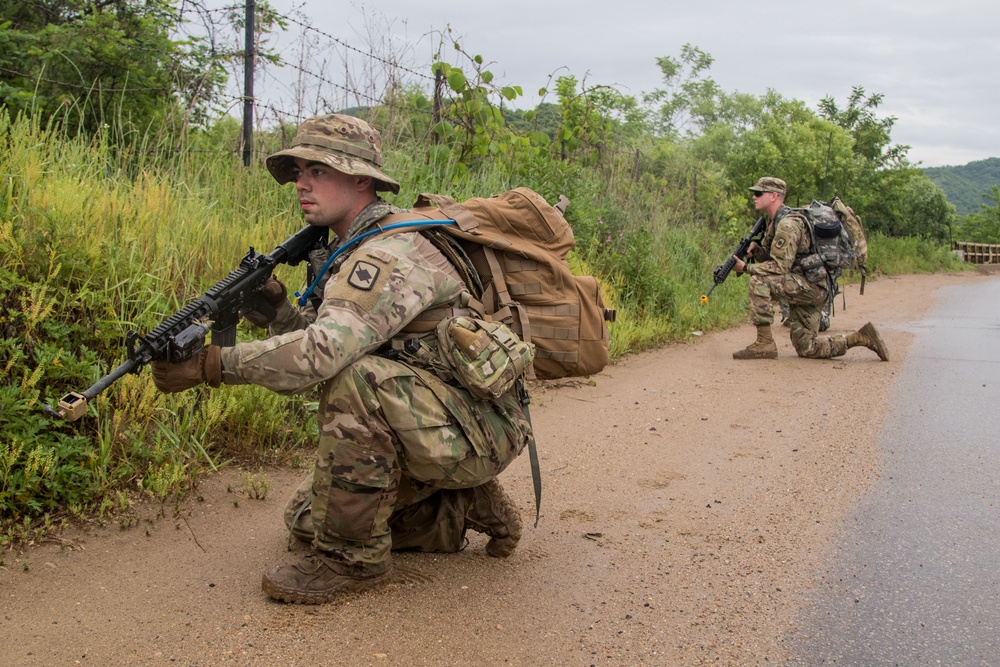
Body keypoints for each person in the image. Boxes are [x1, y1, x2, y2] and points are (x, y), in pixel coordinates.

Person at [150, 113, 530, 604]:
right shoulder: (349, 247)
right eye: (298, 172)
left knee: (359, 381)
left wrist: (210, 366)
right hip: (447, 415)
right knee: (306, 520)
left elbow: (322, 356)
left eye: (318, 171)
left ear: (361, 179)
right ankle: (460, 504)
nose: (301, 184)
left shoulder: (387, 254)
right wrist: (279, 312)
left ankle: (352, 563)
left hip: (477, 428)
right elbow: (325, 339)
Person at [731, 176, 889, 362]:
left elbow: (779, 267)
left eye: (758, 193)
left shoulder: (788, 224)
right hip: (808, 284)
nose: (754, 197)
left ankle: (764, 343)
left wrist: (746, 267)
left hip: (812, 287)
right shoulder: (776, 222)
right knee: (807, 347)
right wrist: (757, 251)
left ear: (774, 196)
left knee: (758, 281)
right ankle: (860, 337)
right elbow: (780, 260)